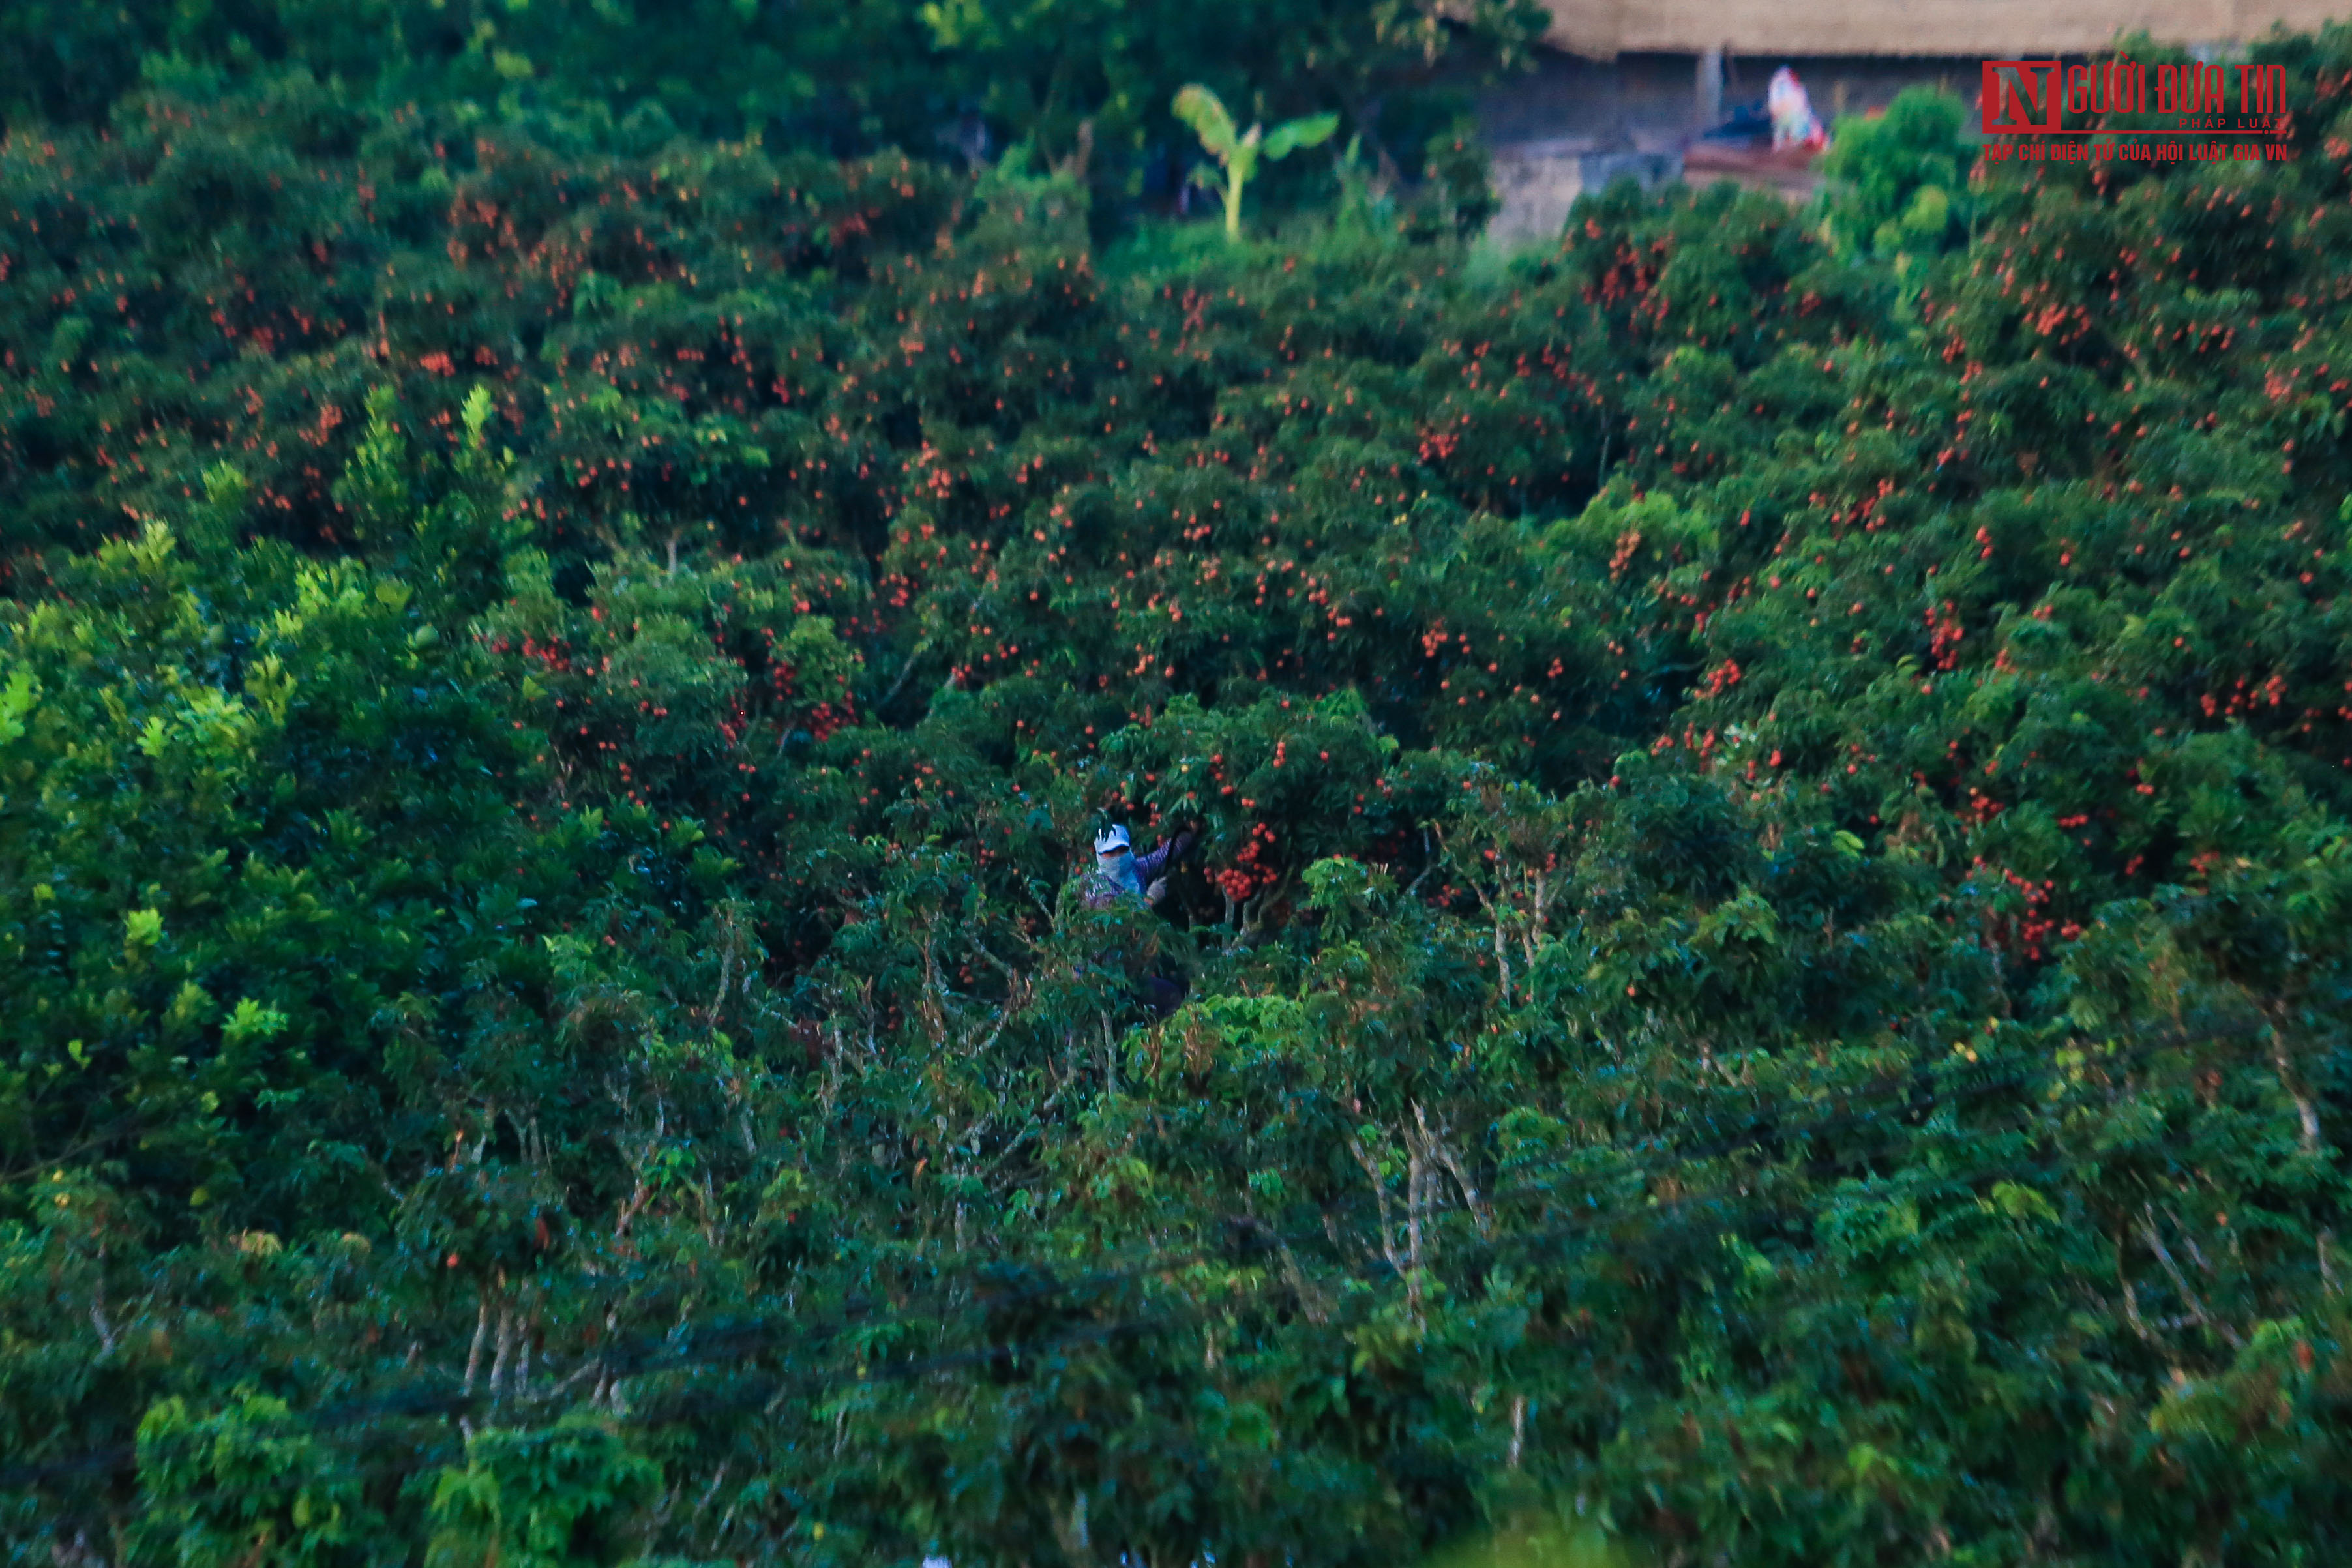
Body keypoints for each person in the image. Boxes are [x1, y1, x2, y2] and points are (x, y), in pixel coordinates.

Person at [1082, 822, 1195, 911]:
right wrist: (1150, 899)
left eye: (1122, 850)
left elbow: (1162, 856)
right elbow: (1121, 920)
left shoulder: (1136, 869)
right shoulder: (1094, 885)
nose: (1117, 856)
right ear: (1099, 854)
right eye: (1110, 852)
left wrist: (1190, 831)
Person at [1767, 66, 1826, 152]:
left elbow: (1805, 107)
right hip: (1789, 118)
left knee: (1811, 128)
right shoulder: (1781, 84)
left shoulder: (1798, 89)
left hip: (1796, 119)